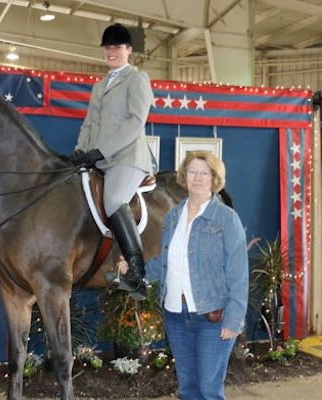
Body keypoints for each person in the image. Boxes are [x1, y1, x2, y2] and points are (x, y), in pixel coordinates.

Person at [142, 150, 248, 400]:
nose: (197, 178)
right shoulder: (173, 216)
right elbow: (165, 263)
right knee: (188, 390)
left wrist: (233, 321)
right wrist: (134, 270)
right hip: (176, 316)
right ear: (184, 176)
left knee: (209, 391)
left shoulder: (226, 219)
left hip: (212, 319)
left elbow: (238, 274)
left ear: (214, 179)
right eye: (192, 172)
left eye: (204, 173)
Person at [68, 23, 155, 300]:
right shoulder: (99, 87)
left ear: (128, 50)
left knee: (114, 200)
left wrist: (101, 151)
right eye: (108, 48)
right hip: (100, 159)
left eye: (117, 47)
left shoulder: (137, 79)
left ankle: (137, 274)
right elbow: (89, 123)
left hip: (128, 158)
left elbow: (134, 122)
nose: (111, 52)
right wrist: (81, 150)